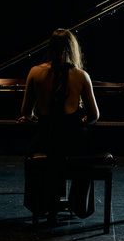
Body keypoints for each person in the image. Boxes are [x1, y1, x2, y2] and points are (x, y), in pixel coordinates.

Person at [19, 28, 100, 222]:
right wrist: (82, 120)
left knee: (35, 154)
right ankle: (77, 204)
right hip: (74, 140)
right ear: (73, 49)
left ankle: (44, 204)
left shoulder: (35, 72)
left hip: (45, 138)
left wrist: (33, 119)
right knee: (87, 154)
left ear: (50, 48)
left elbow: (25, 112)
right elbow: (94, 115)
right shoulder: (81, 76)